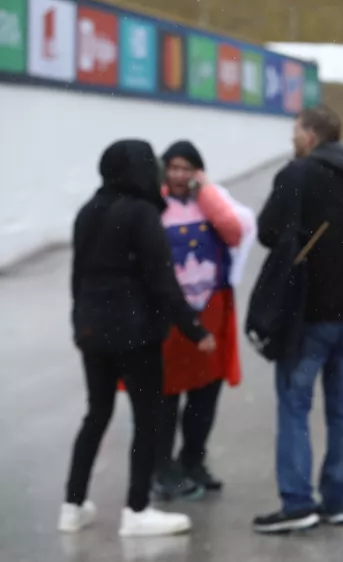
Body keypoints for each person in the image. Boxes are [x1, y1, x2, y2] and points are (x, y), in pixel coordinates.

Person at [62, 139, 215, 537]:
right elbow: (162, 280)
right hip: (135, 333)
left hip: (92, 331)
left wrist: (80, 322)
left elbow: (78, 276)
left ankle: (72, 505)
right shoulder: (143, 214)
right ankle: (137, 509)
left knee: (96, 414)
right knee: (148, 418)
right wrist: (194, 329)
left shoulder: (87, 211)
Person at [253, 105, 343, 533]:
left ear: (309, 134)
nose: (293, 137)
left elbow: (268, 232)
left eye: (295, 130)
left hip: (306, 312)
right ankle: (337, 501)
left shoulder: (299, 174)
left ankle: (297, 502)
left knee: (294, 405)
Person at [153, 141, 250, 501]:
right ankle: (161, 468)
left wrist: (205, 190)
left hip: (209, 309)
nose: (179, 176)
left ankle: (193, 460)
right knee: (165, 396)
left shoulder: (209, 202)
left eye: (186, 168)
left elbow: (234, 232)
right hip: (168, 317)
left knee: (205, 393)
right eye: (172, 168)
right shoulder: (154, 205)